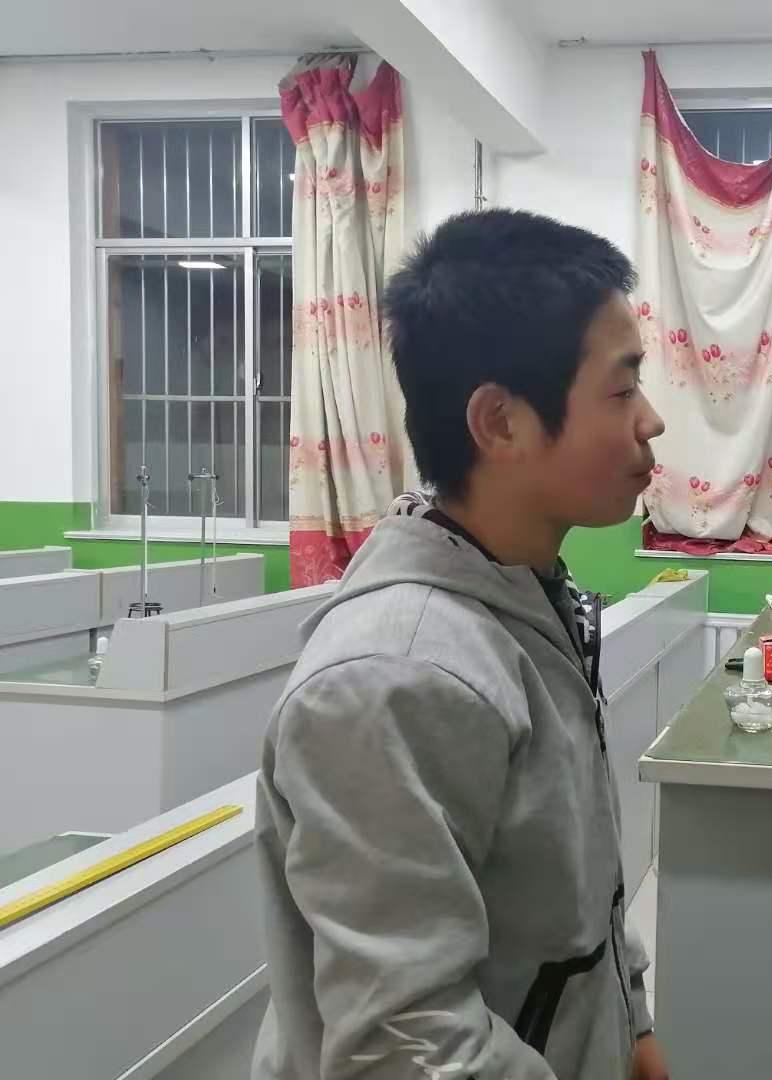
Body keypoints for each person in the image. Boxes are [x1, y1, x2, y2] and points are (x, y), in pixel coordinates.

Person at [252, 209, 669, 1080]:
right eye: (622, 389)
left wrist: (629, 1026)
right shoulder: (391, 680)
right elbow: (406, 1045)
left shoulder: (523, 597)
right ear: (500, 422)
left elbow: (577, 880)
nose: (652, 420)